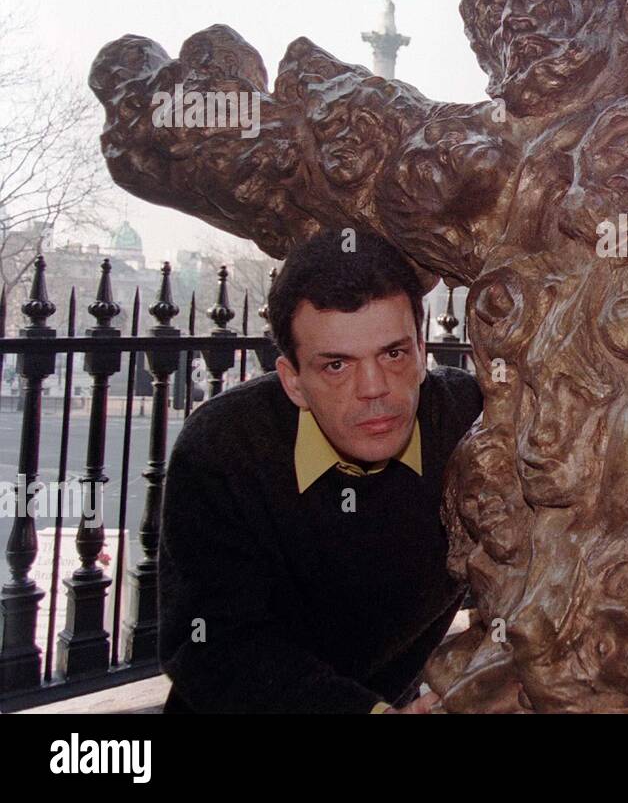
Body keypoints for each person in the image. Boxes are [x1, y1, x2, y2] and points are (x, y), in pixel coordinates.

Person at [157, 230, 482, 713]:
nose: (374, 388)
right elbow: (212, 646)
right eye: (336, 365)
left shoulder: (471, 423)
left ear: (420, 352)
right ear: (293, 383)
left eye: (393, 353)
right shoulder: (223, 450)